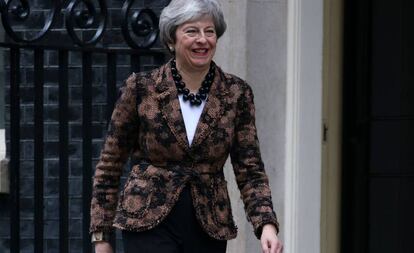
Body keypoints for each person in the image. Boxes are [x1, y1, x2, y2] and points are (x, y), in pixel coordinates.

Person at [90, 0, 283, 252]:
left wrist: (266, 224)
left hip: (208, 224)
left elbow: (250, 168)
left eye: (209, 31)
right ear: (172, 38)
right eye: (192, 31)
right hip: (147, 221)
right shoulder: (140, 88)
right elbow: (110, 164)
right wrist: (101, 236)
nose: (202, 39)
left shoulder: (236, 93)